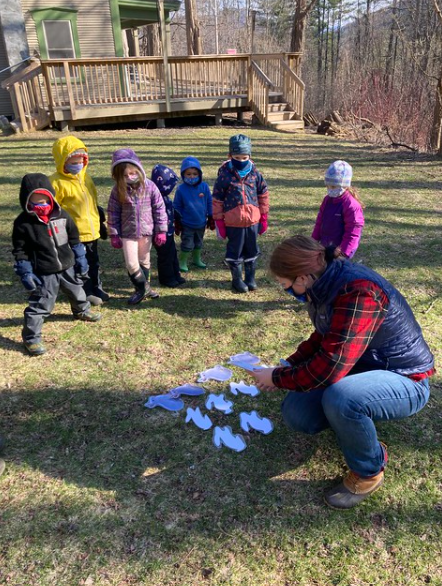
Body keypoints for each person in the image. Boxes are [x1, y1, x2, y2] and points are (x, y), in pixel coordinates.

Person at [252, 235, 434, 509]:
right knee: (298, 413)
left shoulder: (358, 292)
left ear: (302, 277)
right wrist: (289, 365)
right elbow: (325, 336)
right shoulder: (323, 284)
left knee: (342, 398)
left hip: (405, 377)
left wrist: (277, 378)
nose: (284, 289)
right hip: (361, 365)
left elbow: (329, 368)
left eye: (284, 283)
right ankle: (354, 426)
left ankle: (369, 470)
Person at [12, 173, 101, 356]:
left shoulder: (62, 215)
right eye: (35, 201)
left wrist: (80, 256)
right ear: (26, 200)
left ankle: (81, 310)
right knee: (41, 304)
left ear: (51, 197)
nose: (41, 205)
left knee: (77, 291)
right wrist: (25, 271)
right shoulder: (23, 223)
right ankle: (31, 338)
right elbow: (20, 250)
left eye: (44, 199)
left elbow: (74, 237)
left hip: (67, 265)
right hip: (44, 271)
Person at [50, 136, 109, 306]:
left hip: (91, 231)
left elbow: (93, 200)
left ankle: (96, 286)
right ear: (63, 161)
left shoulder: (86, 178)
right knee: (79, 264)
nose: (78, 164)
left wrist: (100, 220)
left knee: (93, 261)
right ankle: (84, 291)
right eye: (73, 161)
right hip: (73, 235)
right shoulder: (56, 182)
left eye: (81, 160)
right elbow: (54, 211)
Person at [107, 149, 168, 305]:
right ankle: (143, 289)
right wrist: (114, 234)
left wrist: (161, 230)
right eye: (125, 175)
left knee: (144, 260)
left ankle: (141, 288)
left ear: (139, 170)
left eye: (133, 173)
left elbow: (159, 208)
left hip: (146, 231)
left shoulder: (150, 187)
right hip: (128, 233)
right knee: (132, 263)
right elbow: (113, 212)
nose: (130, 177)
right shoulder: (117, 190)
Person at [212, 134, 269, 293]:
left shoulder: (255, 174)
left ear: (250, 156)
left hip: (252, 221)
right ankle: (236, 280)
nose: (241, 160)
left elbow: (263, 195)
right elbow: (217, 200)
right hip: (233, 222)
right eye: (237, 157)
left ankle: (250, 278)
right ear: (230, 156)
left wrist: (263, 217)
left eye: (245, 157)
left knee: (252, 250)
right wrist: (219, 223)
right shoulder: (224, 175)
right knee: (235, 252)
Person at [311, 160, 364, 259]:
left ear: (344, 185)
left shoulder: (351, 205)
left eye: (333, 186)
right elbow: (319, 222)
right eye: (328, 186)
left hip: (340, 252)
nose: (330, 189)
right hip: (325, 246)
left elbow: (353, 232)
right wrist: (312, 241)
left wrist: (343, 253)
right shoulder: (327, 200)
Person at [173, 156, 214, 272]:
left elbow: (209, 201)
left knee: (198, 242)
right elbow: (176, 205)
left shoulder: (204, 187)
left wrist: (211, 215)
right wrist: (177, 219)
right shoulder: (181, 189)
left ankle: (196, 259)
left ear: (199, 174)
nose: (192, 176)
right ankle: (183, 261)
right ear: (183, 175)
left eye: (195, 174)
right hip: (187, 223)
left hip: (201, 222)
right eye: (188, 174)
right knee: (187, 243)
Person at [151, 164, 186, 288]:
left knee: (172, 253)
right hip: (160, 234)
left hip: (169, 232)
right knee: (165, 256)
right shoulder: (155, 198)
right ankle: (166, 278)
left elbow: (172, 210)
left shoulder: (166, 198)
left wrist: (178, 219)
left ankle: (175, 274)